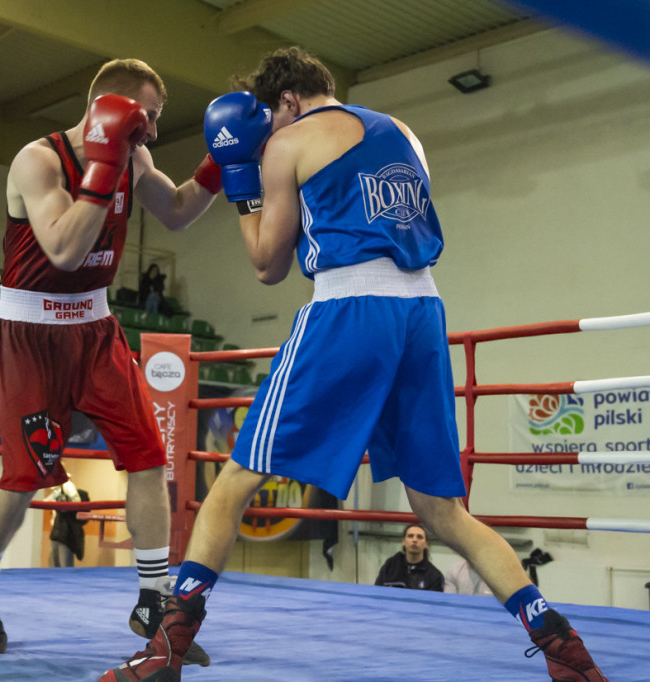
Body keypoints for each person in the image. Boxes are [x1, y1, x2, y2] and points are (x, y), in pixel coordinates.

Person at [102, 47, 607, 682]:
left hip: (349, 307)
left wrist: (241, 182)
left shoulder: (291, 141)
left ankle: (167, 649)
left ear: (285, 102)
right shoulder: (404, 133)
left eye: (271, 116)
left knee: (234, 481)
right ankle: (563, 647)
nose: (271, 129)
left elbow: (267, 264)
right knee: (442, 509)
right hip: (424, 310)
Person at [0, 58, 222, 662]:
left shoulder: (133, 157)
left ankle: (153, 599)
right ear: (116, 106)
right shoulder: (40, 160)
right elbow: (61, 248)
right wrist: (103, 166)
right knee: (24, 476)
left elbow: (178, 212)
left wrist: (219, 168)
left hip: (96, 326)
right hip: (31, 333)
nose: (155, 131)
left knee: (148, 457)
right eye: (149, 116)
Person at [375, 523, 444, 591]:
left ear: (426, 544)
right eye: (410, 536)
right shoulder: (390, 566)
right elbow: (377, 592)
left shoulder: (434, 576)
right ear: (403, 542)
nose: (414, 540)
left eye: (419, 537)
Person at [46, 476, 89, 568]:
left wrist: (66, 505)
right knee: (56, 564)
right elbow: (45, 502)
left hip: (66, 532)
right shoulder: (56, 490)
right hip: (57, 531)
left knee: (64, 566)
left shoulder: (67, 486)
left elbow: (77, 503)